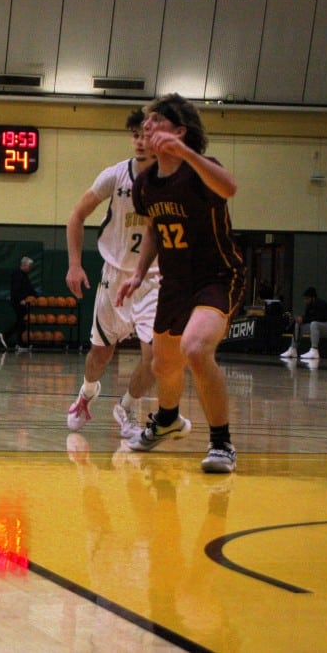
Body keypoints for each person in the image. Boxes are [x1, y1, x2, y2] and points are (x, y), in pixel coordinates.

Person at [116, 93, 244, 474]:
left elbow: (230, 188)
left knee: (196, 348)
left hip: (216, 277)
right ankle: (168, 419)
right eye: (146, 122)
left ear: (180, 130)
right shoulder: (145, 184)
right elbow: (155, 228)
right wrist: (139, 273)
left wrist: (187, 154)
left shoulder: (201, 170)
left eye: (157, 121)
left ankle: (221, 443)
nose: (148, 126)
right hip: (174, 283)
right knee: (164, 364)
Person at [65, 109, 158, 439]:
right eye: (135, 135)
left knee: (156, 356)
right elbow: (76, 216)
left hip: (154, 280)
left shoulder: (173, 181)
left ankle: (129, 404)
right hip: (115, 276)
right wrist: (75, 265)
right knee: (100, 354)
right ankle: (88, 392)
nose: (140, 142)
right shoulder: (114, 176)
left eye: (146, 135)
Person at [279, 286, 327, 361]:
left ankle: (314, 350)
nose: (305, 301)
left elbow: (321, 318)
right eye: (304, 299)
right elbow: (308, 318)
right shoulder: (309, 306)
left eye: (307, 299)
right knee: (299, 324)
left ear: (313, 298)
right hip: (319, 327)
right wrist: (301, 319)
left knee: (314, 324)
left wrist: (304, 319)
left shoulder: (321, 304)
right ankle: (293, 349)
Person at [0, 256, 35, 350]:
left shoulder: (25, 275)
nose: (30, 267)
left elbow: (29, 289)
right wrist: (20, 300)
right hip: (17, 302)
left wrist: (37, 297)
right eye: (29, 265)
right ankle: (7, 337)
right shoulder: (17, 274)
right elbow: (15, 290)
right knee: (21, 321)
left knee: (22, 322)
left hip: (23, 301)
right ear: (24, 265)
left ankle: (18, 342)